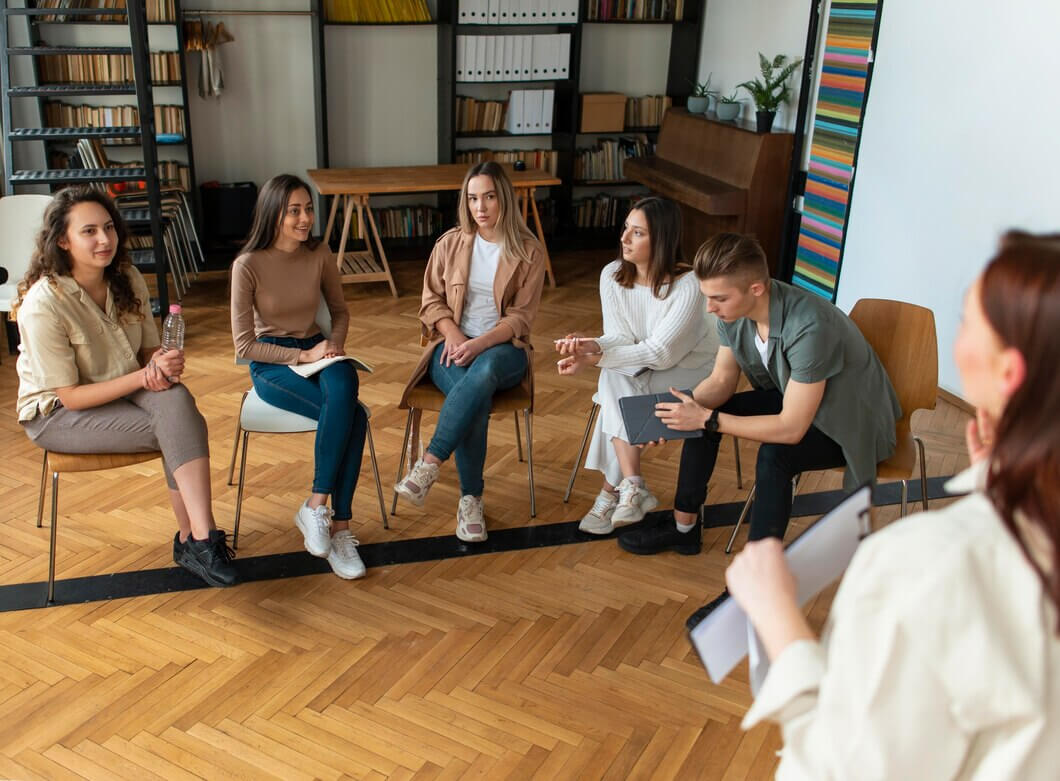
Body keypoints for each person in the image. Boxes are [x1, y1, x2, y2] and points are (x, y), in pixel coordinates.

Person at [724, 231, 1060, 778]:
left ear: (1008, 373)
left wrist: (779, 617)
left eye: (967, 324)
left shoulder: (927, 563)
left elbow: (841, 766)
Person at [620, 232, 900, 556]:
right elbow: (721, 381)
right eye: (706, 296)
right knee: (703, 420)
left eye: (719, 298)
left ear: (756, 289)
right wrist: (668, 417)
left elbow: (791, 429)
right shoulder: (734, 312)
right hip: (798, 398)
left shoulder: (811, 328)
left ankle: (760, 569)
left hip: (851, 423)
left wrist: (708, 419)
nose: (710, 308)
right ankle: (684, 527)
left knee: (774, 455)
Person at [13, 187, 238, 588]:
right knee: (178, 425)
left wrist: (162, 364)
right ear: (62, 241)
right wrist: (143, 376)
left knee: (176, 400)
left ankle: (198, 537)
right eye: (89, 231)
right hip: (59, 414)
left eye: (109, 227)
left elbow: (148, 351)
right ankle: (197, 541)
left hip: (122, 386)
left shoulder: (127, 276)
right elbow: (71, 396)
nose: (104, 239)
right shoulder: (43, 303)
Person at [394, 161, 546, 542]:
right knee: (473, 399)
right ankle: (470, 501)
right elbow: (430, 302)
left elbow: (521, 318)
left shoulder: (528, 251)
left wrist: (479, 343)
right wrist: (454, 335)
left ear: (504, 199)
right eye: (473, 198)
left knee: (485, 370)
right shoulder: (451, 243)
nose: (481, 207)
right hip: (451, 349)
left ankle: (428, 464)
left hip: (503, 352)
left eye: (490, 197)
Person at [555, 197, 718, 534]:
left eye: (637, 232)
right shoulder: (612, 275)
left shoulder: (688, 285)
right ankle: (632, 487)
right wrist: (593, 345)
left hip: (691, 371)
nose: (624, 239)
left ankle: (611, 493)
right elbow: (620, 337)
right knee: (617, 377)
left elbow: (661, 354)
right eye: (626, 229)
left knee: (614, 386)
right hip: (643, 369)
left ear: (661, 240)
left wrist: (594, 358)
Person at [231, 174, 366, 579]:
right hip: (272, 364)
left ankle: (317, 508)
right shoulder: (247, 266)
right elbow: (244, 345)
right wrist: (302, 354)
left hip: (318, 350)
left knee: (346, 384)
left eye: (308, 209)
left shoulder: (319, 253)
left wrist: (334, 345)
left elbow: (339, 312)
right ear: (273, 214)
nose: (305, 218)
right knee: (354, 417)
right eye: (294, 211)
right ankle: (337, 522)